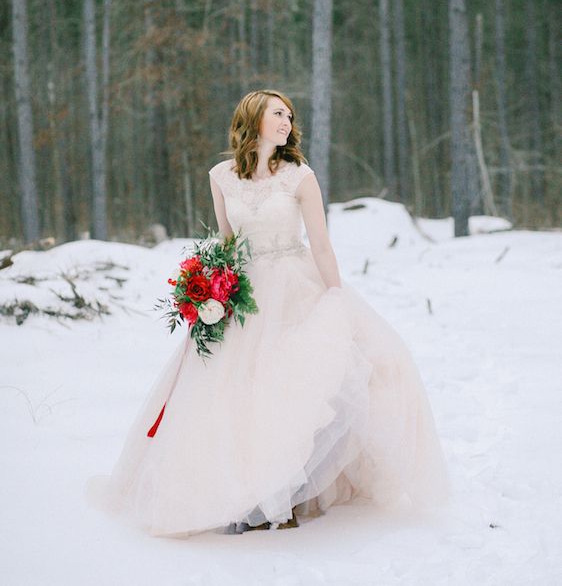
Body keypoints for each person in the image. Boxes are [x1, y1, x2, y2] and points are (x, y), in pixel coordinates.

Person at [85, 88, 450, 536]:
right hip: (245, 294)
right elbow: (227, 243)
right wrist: (208, 291)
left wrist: (337, 299)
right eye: (278, 113)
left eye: (289, 115)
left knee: (293, 388)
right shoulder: (221, 176)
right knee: (238, 393)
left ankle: (290, 494)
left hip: (296, 286)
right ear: (253, 118)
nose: (287, 121)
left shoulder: (300, 177)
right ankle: (243, 493)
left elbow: (320, 244)